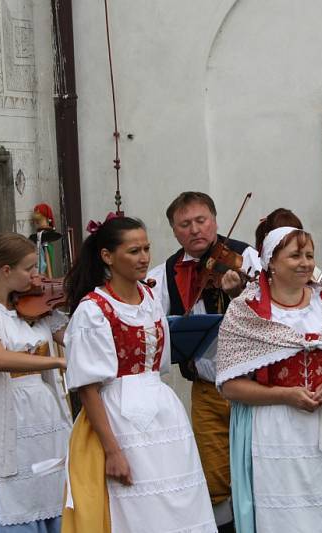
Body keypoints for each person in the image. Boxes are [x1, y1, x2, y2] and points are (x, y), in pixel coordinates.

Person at [216, 216, 322, 533]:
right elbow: (229, 386)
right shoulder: (245, 310)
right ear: (271, 262)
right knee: (287, 516)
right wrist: (283, 394)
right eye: (295, 256)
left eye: (309, 255)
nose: (305, 263)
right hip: (276, 428)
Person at [61, 214, 216, 533]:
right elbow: (87, 388)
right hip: (118, 417)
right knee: (136, 510)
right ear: (107, 256)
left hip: (164, 414)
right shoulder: (93, 310)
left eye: (146, 249)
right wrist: (112, 451)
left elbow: (159, 363)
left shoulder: (150, 298)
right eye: (134, 251)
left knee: (180, 506)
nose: (144, 257)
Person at [147, 192, 259, 531]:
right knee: (215, 478)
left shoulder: (246, 256)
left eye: (201, 220)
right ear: (175, 231)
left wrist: (240, 293)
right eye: (185, 224)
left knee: (261, 468)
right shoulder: (166, 272)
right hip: (207, 389)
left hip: (257, 387)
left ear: (214, 220)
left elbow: (274, 306)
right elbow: (149, 320)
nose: (195, 229)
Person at [0, 233, 72, 533]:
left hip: (45, 419)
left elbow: (75, 339)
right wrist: (57, 361)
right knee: (14, 501)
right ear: (6, 271)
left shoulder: (37, 307)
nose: (39, 276)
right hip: (3, 422)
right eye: (30, 268)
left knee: (53, 492)